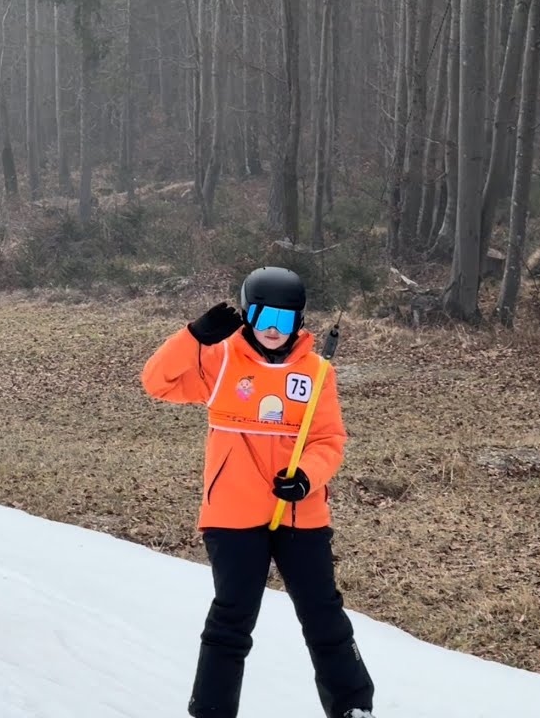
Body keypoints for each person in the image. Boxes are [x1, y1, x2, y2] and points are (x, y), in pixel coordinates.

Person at [140, 266, 374, 718]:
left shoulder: (317, 371)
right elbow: (156, 381)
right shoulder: (220, 361)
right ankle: (212, 710)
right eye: (264, 316)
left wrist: (306, 476)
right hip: (232, 515)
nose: (272, 329)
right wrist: (192, 338)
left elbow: (329, 440)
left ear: (299, 323)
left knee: (323, 615)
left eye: (284, 320)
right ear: (247, 314)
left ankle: (352, 707)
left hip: (298, 515)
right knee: (232, 618)